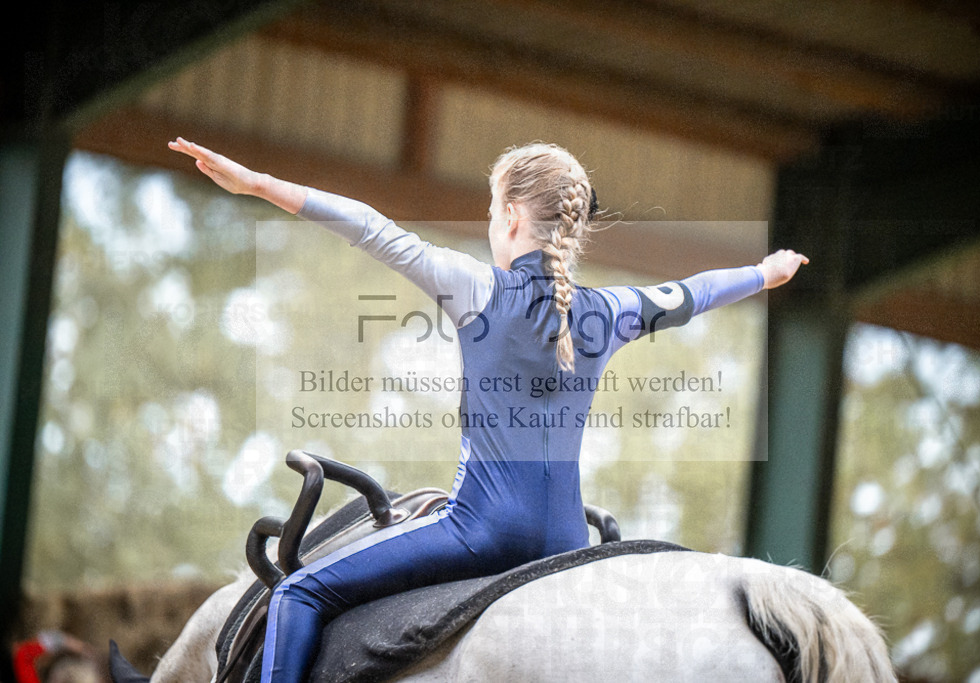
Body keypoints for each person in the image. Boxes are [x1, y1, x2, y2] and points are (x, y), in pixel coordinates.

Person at [169, 137, 807, 682]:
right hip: (564, 540)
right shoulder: (611, 311)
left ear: (509, 216)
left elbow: (368, 226)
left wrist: (256, 184)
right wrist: (764, 272)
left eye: (491, 207)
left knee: (297, 593)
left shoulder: (476, 285)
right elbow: (696, 291)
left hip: (479, 532)